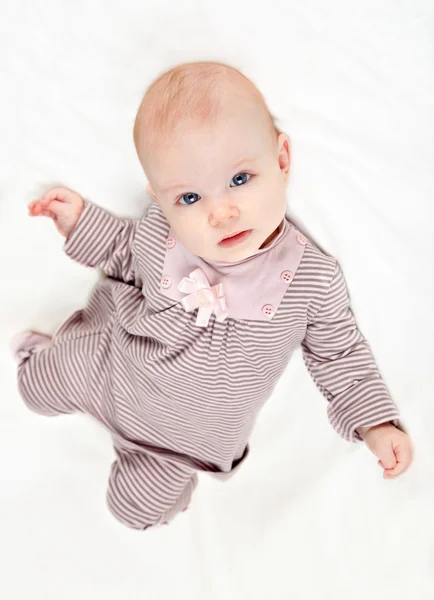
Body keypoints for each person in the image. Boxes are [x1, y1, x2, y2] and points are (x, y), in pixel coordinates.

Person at [11, 62, 413, 530]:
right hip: (110, 371)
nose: (221, 212)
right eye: (189, 198)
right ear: (161, 200)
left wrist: (374, 424)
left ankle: (165, 484)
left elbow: (339, 354)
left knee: (134, 512)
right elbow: (122, 250)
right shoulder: (165, 235)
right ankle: (51, 351)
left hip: (185, 446)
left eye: (239, 180)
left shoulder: (312, 280)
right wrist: (80, 222)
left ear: (282, 162)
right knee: (32, 389)